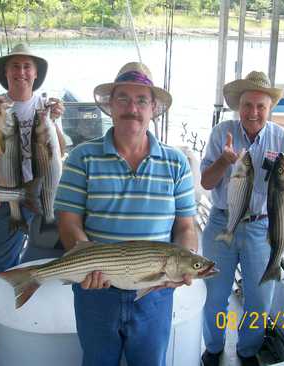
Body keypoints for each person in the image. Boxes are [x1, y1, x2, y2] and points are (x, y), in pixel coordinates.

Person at [54, 62, 198, 366]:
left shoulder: (177, 163)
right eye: (123, 99)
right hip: (96, 290)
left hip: (156, 294)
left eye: (142, 100)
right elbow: (68, 222)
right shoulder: (82, 157)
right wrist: (87, 260)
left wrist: (183, 263)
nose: (132, 108)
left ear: (154, 108)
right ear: (110, 106)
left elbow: (186, 226)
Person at [200, 71, 284, 366]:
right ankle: (214, 348)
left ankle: (247, 351)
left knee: (260, 299)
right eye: (247, 105)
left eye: (260, 106)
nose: (253, 112)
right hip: (222, 222)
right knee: (216, 295)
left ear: (270, 109)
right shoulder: (222, 133)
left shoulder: (280, 137)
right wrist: (223, 161)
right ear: (238, 106)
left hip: (262, 226)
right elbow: (206, 182)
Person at [0, 44, 66, 278]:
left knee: (50, 258)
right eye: (15, 66)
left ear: (36, 74)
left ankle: (36, 303)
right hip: (5, 195)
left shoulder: (45, 107)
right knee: (3, 261)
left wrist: (53, 121)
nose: (21, 72)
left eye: (28, 67)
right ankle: (2, 307)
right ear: (6, 73)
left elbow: (60, 150)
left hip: (43, 192)